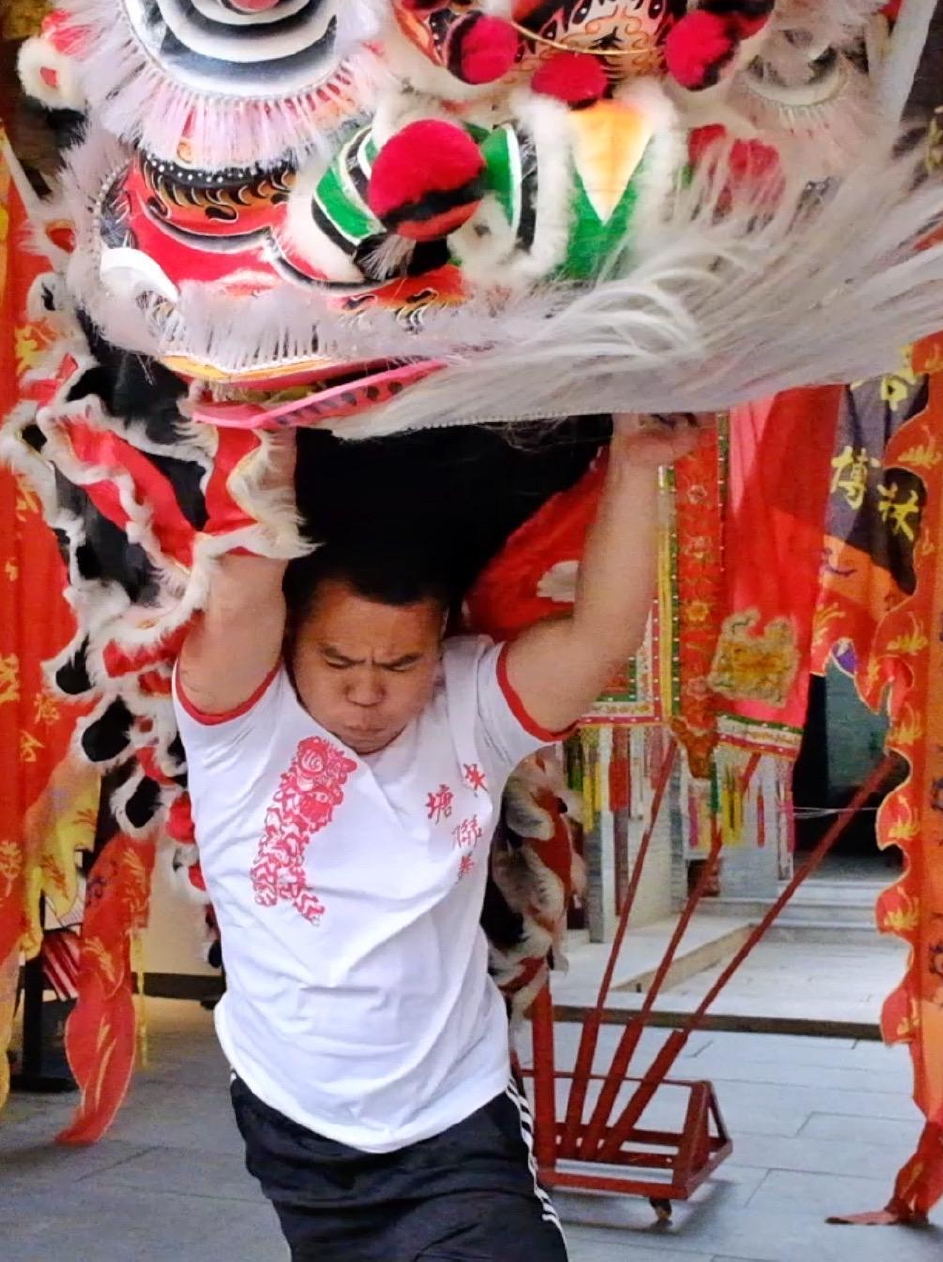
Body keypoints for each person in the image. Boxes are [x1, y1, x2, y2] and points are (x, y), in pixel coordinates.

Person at [175, 414, 696, 1261]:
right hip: (294, 1119)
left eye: (401, 664)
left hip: (457, 1118)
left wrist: (637, 465)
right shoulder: (236, 724)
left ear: (439, 643)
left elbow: (601, 639)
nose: (368, 692)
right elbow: (242, 594)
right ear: (292, 640)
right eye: (338, 662)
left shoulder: (472, 709)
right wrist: (267, 435)